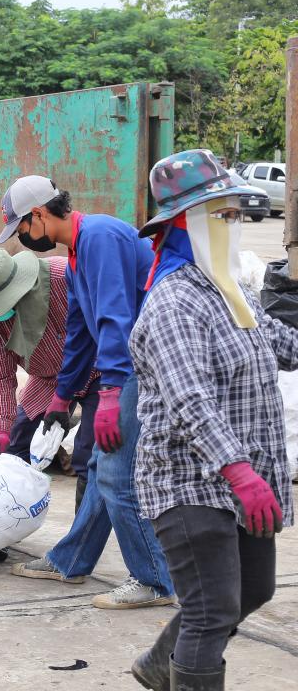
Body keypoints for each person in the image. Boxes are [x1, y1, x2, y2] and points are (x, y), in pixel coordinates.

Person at [129, 150, 293, 690]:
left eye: (235, 213)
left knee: (254, 590)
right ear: (184, 224)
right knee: (211, 610)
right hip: (188, 480)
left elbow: (280, 344)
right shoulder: (174, 303)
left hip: (241, 475)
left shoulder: (230, 290)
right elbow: (190, 401)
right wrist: (240, 473)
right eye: (222, 214)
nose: (234, 223)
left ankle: (160, 664)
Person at [0, 175, 175, 610]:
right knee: (99, 466)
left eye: (21, 229)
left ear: (38, 214)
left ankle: (154, 580)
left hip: (144, 365)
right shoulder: (78, 251)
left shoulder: (99, 236)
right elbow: (80, 330)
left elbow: (116, 319)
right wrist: (62, 396)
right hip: (130, 365)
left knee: (116, 473)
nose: (22, 238)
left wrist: (110, 392)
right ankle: (72, 560)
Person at [0, 248, 98, 508]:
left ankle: (83, 530)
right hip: (47, 378)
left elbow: (103, 330)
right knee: (12, 448)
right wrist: (1, 429)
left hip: (98, 369)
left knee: (90, 458)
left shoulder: (63, 277)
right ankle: (0, 521)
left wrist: (65, 398)